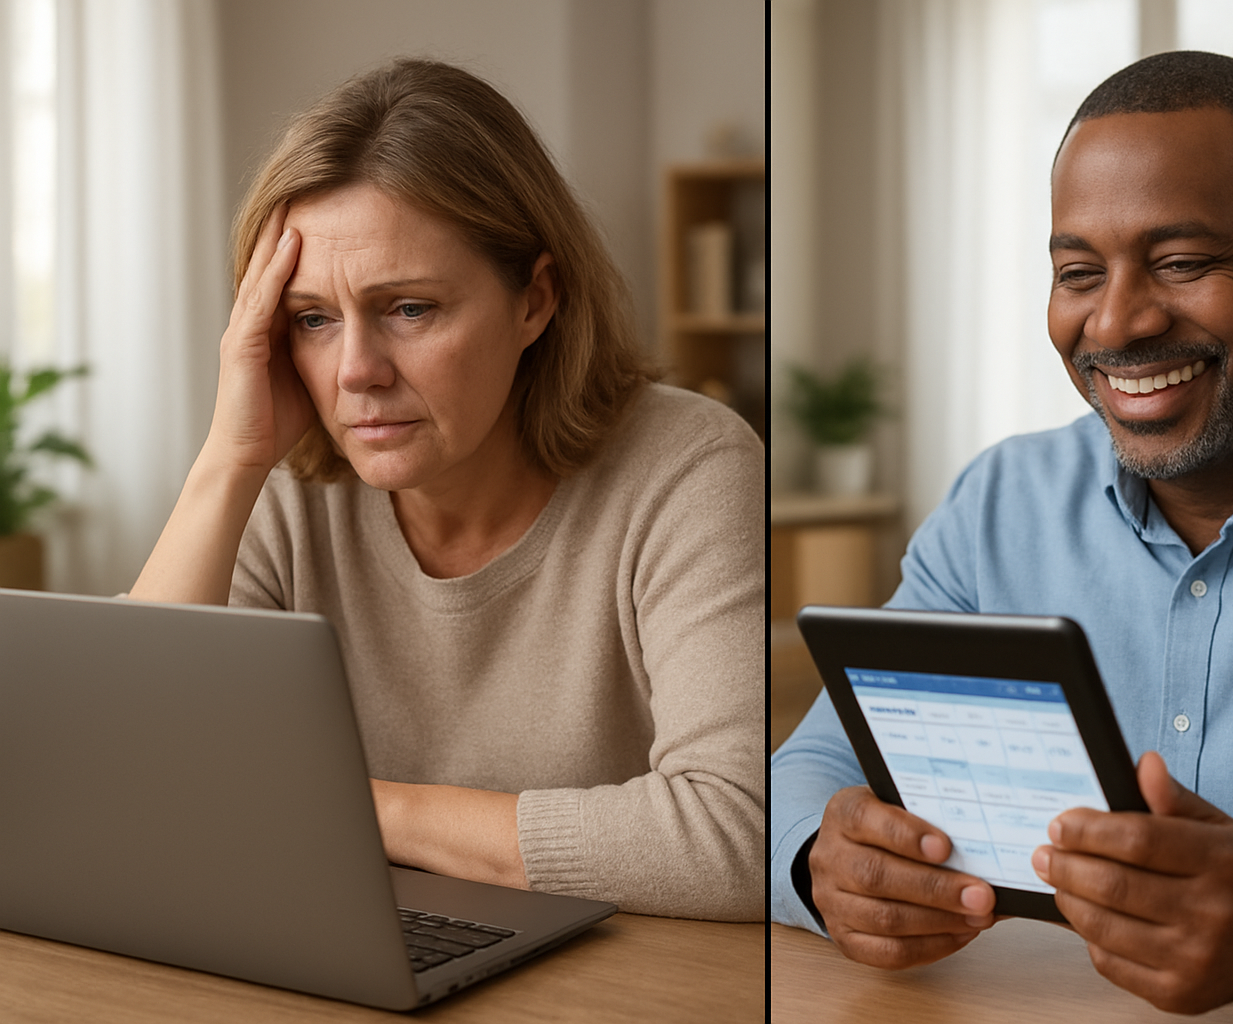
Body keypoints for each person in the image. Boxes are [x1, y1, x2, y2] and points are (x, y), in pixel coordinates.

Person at [771, 49, 1233, 1019]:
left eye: (1181, 263)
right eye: (1078, 272)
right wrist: (819, 861)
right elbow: (813, 766)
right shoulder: (998, 503)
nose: (1118, 322)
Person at [130, 59, 764, 922]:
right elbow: (132, 785)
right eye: (312, 319)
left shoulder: (687, 464)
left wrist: (362, 808)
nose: (356, 372)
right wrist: (229, 460)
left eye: (409, 309)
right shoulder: (286, 491)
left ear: (535, 300)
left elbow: (732, 839)